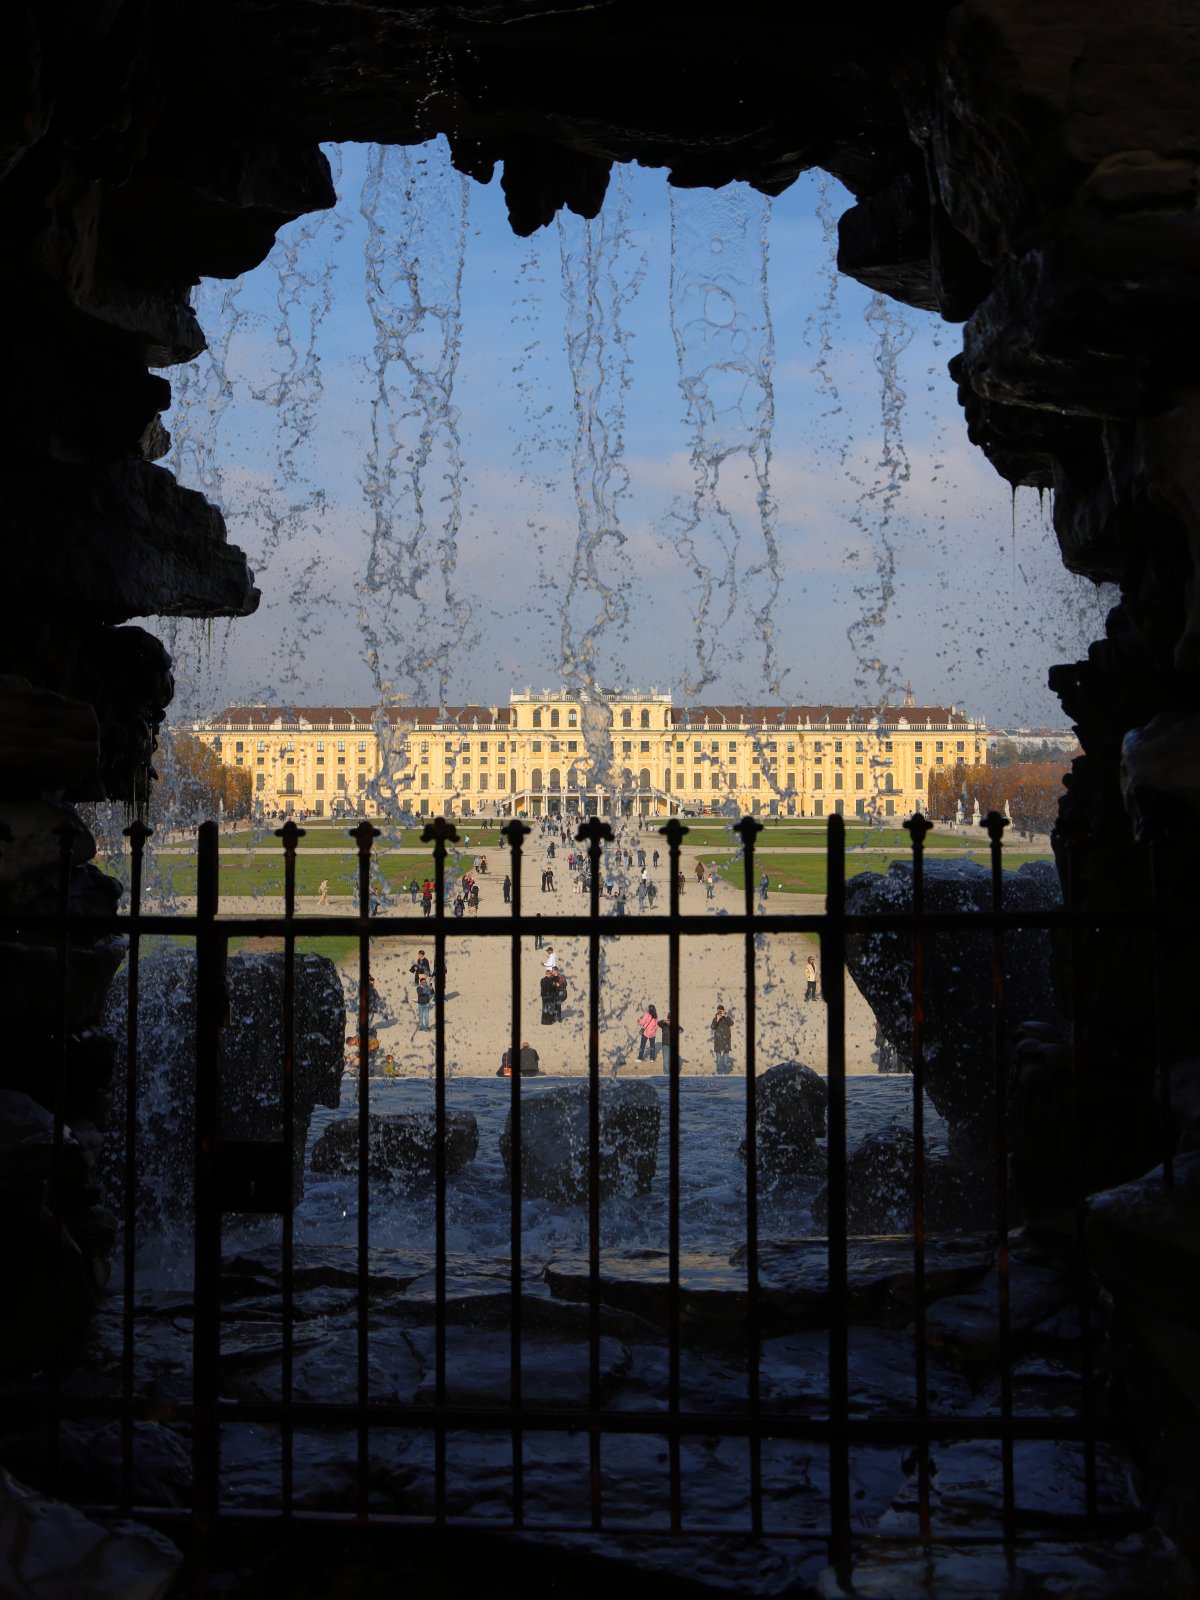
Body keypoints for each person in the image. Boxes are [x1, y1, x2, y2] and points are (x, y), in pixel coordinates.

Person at [710, 1005, 733, 1075]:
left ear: (723, 1011)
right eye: (718, 1011)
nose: (719, 1012)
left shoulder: (726, 1018)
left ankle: (726, 1073)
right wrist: (717, 1019)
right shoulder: (715, 1019)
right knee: (719, 1060)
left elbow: (732, 1023)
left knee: (726, 1060)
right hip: (718, 1041)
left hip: (726, 1041)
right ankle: (719, 1073)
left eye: (721, 1011)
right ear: (717, 1011)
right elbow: (713, 1027)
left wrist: (725, 1016)